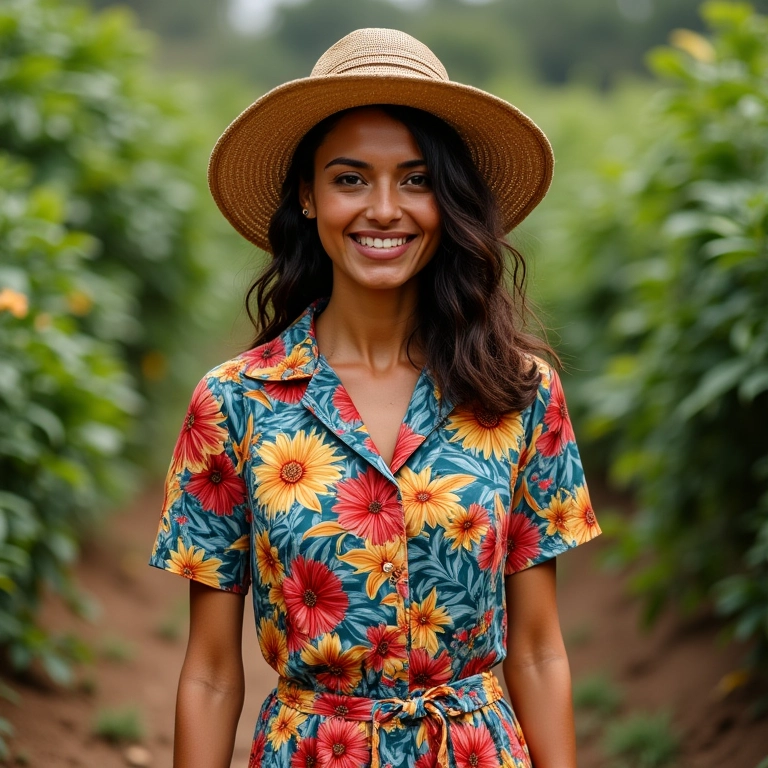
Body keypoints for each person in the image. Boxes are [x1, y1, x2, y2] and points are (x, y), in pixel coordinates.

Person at [149, 27, 603, 768]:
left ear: (447, 200)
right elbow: (207, 671)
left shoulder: (519, 394)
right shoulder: (234, 402)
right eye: (351, 178)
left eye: (417, 179)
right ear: (308, 195)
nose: (384, 209)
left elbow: (539, 649)